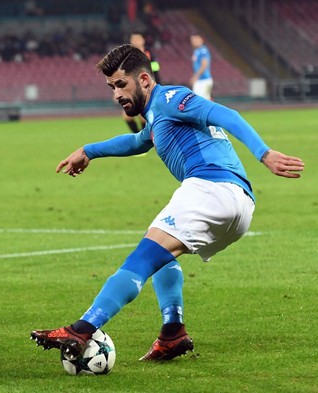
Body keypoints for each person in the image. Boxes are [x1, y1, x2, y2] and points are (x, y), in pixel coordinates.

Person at [31, 44, 304, 361]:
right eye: (112, 87)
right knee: (163, 255)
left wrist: (264, 153)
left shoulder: (171, 98)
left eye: (121, 84)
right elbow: (138, 141)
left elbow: (225, 114)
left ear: (144, 79)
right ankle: (173, 332)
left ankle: (81, 329)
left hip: (211, 188)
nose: (116, 94)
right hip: (238, 206)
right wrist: (89, 150)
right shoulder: (157, 114)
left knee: (143, 258)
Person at [123, 32, 161, 133]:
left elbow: (155, 71)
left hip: (146, 88)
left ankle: (144, 137)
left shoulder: (149, 54)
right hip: (134, 89)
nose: (135, 41)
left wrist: (155, 86)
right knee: (127, 117)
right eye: (133, 39)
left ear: (143, 40)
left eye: (137, 39)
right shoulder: (128, 55)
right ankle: (139, 136)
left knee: (143, 117)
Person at [190, 33, 213, 100]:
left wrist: (195, 76)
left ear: (201, 40)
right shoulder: (197, 51)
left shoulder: (203, 51)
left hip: (203, 80)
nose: (194, 41)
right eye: (193, 40)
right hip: (201, 80)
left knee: (199, 101)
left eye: (196, 39)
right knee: (204, 101)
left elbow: (204, 65)